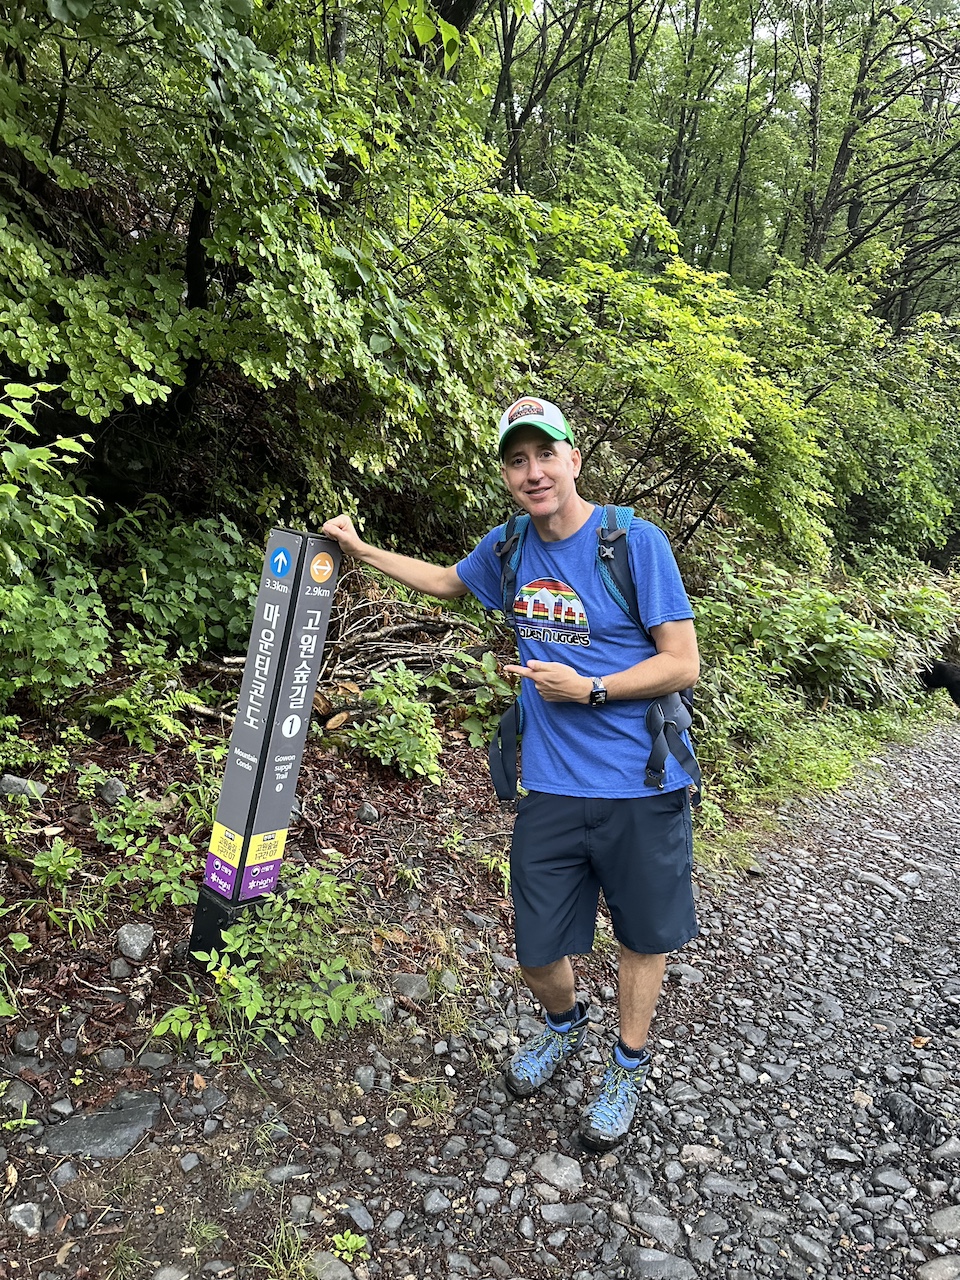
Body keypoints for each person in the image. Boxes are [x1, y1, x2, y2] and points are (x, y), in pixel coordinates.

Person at [322, 395, 700, 1151]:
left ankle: (626, 1066)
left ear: (573, 460)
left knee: (641, 937)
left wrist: (588, 687)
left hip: (642, 783)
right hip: (552, 786)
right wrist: (360, 551)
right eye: (517, 460)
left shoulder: (633, 541)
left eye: (545, 455)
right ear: (506, 473)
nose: (533, 473)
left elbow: (682, 661)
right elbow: (446, 583)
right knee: (535, 950)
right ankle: (566, 1027)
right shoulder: (509, 548)